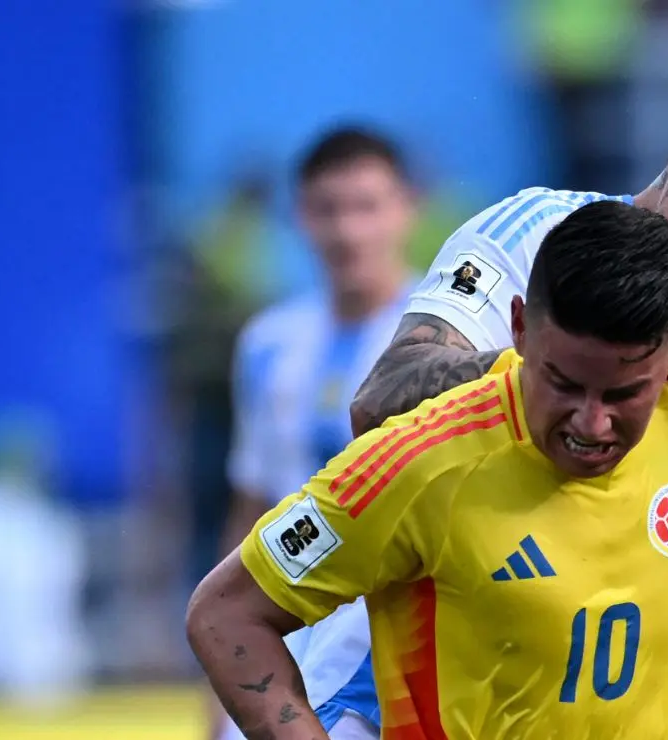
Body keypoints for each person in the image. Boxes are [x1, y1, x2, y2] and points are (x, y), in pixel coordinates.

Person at [345, 37, 668, 739]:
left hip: (586, 715)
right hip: (401, 701)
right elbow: (381, 400)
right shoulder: (535, 235)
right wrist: (622, 346)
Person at [188, 200, 668, 739]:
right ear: (521, 328)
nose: (591, 422)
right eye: (562, 383)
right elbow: (226, 613)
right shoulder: (420, 461)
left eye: (622, 395)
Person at [211, 126, 419, 740]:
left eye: (367, 207)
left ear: (407, 209)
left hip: (386, 644)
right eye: (328, 210)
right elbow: (251, 505)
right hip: (278, 639)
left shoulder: (446, 341)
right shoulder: (266, 343)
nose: (348, 231)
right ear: (300, 217)